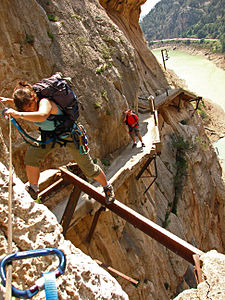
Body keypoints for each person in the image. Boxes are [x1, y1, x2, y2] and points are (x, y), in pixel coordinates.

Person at [0, 81, 115, 204]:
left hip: (70, 135)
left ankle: (107, 187)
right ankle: (33, 189)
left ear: (34, 98)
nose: (29, 110)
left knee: (88, 169)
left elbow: (42, 115)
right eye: (25, 109)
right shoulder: (28, 104)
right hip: (51, 136)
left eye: (30, 106)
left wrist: (19, 114)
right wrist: (8, 101)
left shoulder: (45, 102)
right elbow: (25, 106)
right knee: (31, 157)